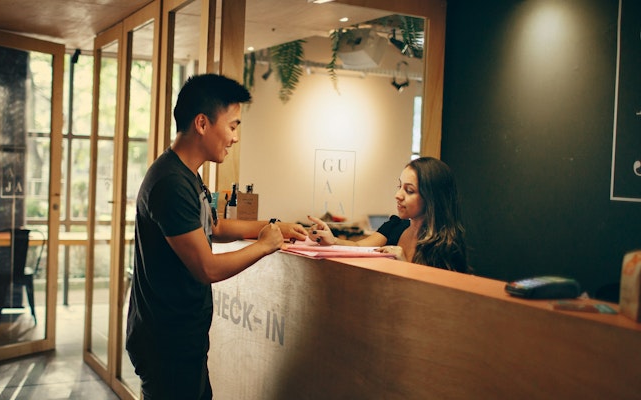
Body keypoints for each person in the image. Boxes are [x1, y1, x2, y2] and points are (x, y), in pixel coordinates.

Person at [126, 73, 308, 399]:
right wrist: (265, 246)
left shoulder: (187, 175)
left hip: (182, 338)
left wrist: (273, 226)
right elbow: (206, 268)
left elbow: (216, 227)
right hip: (167, 342)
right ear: (202, 123)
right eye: (233, 126)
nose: (235, 138)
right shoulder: (171, 183)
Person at [308, 157, 469, 273]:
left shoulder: (447, 246)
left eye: (409, 190)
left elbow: (438, 298)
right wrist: (333, 240)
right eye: (399, 186)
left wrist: (404, 265)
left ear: (432, 198)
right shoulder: (395, 226)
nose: (398, 195)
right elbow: (358, 248)